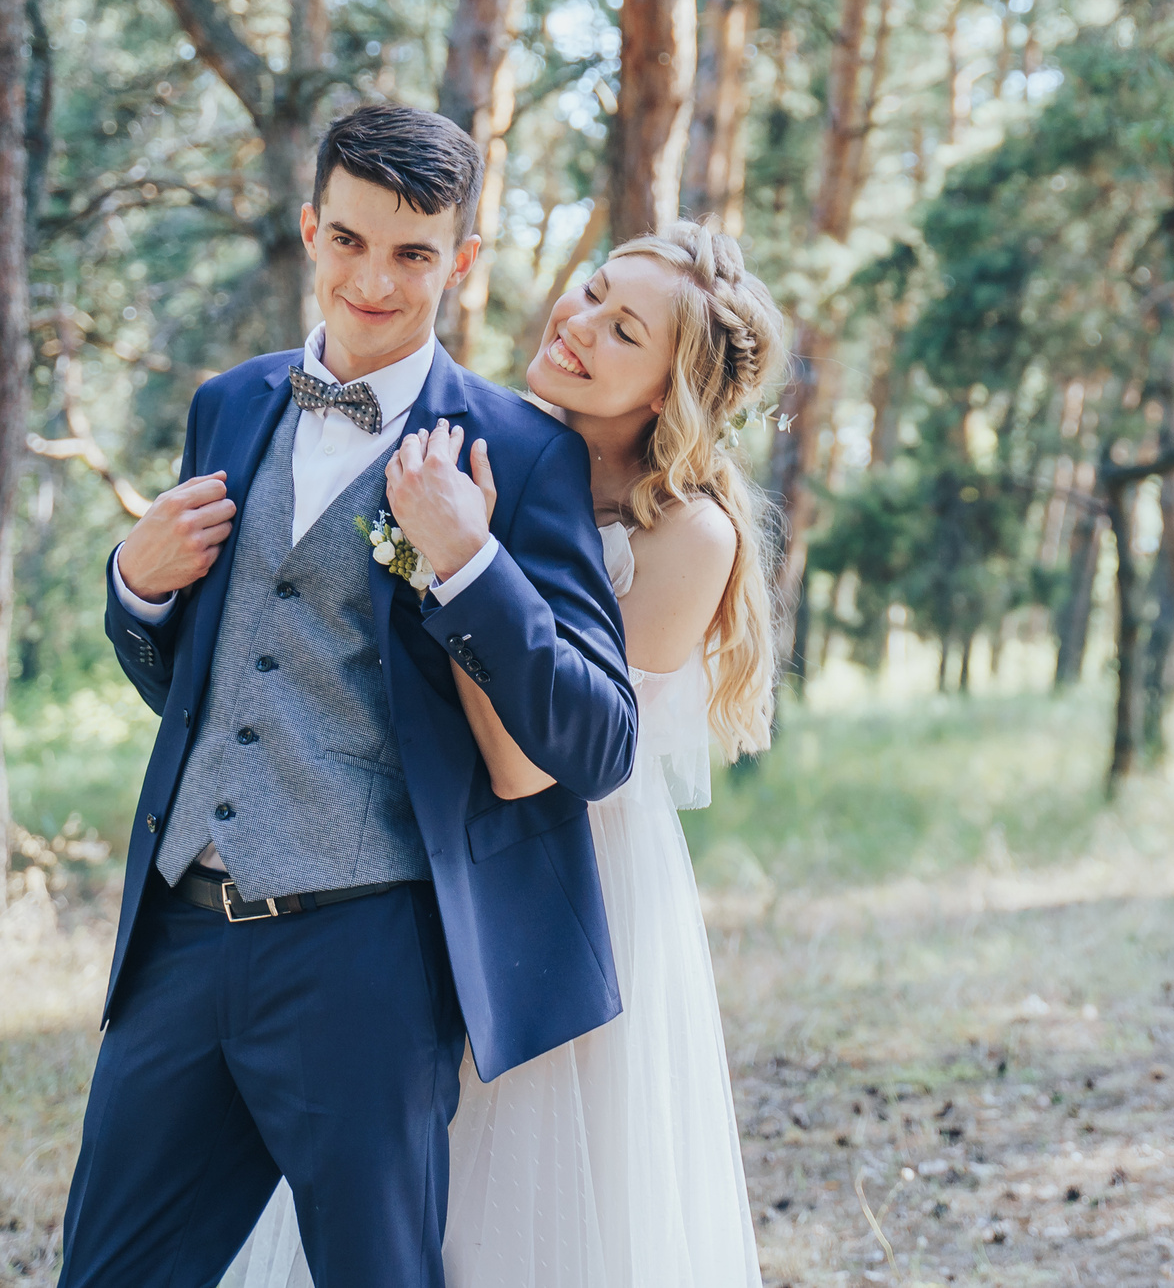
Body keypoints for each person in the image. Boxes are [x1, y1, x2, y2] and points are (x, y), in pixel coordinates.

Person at [59, 104, 641, 1288]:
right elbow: (210, 688)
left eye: (412, 253)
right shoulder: (229, 405)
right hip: (181, 936)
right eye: (349, 241)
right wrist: (136, 588)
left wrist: (468, 563)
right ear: (310, 229)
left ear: (459, 262)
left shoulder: (523, 453)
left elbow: (601, 742)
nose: (373, 281)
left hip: (367, 955)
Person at [225, 220, 783, 1288]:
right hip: (427, 841)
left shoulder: (687, 535)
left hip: (562, 871)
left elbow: (532, 768)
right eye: (592, 290)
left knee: (521, 1200)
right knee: (381, 1178)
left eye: (624, 331)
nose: (578, 323)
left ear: (668, 393)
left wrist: (464, 563)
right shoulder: (490, 444)